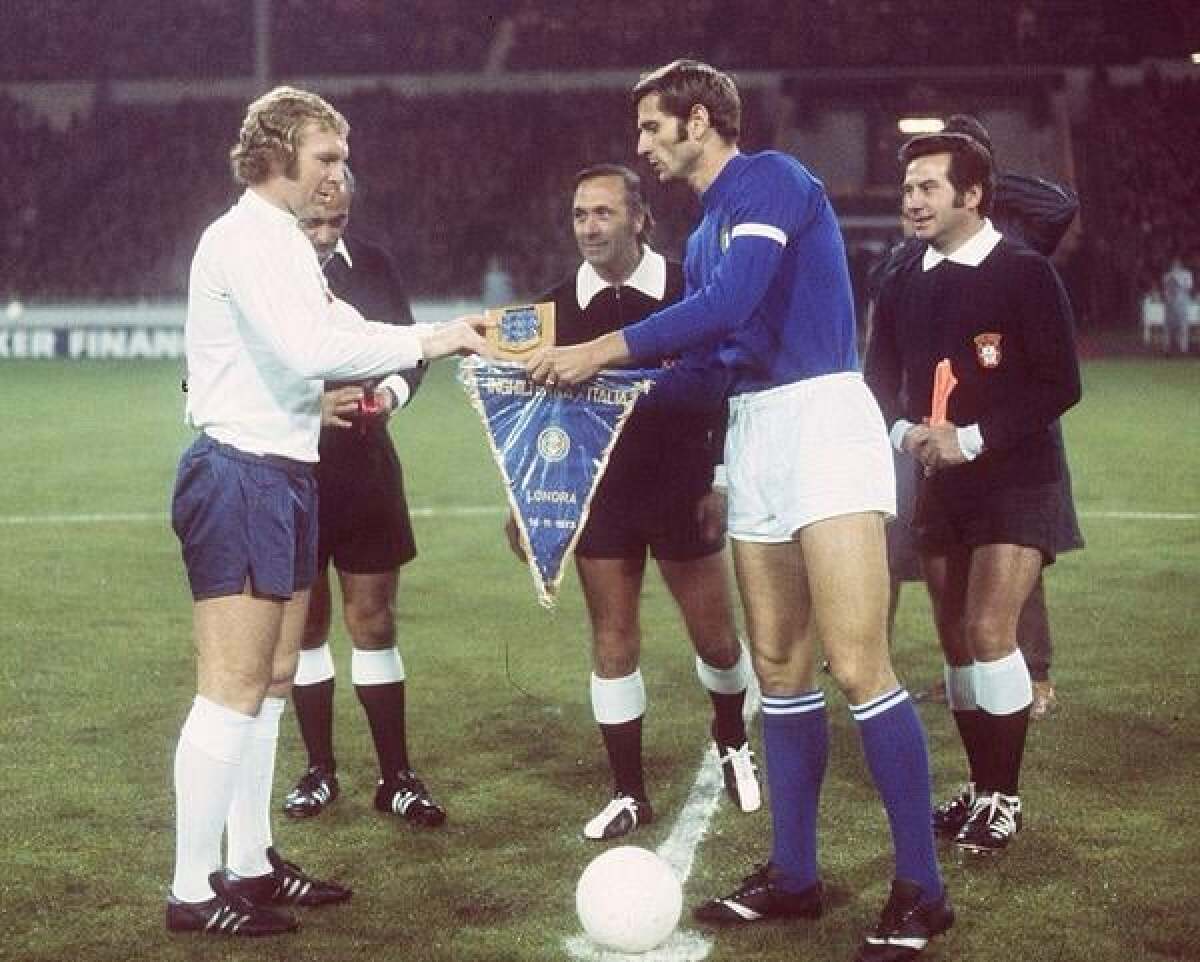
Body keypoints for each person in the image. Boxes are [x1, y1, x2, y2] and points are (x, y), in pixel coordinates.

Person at [529, 61, 949, 962]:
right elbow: (712, 367)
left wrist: (600, 351)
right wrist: (591, 391)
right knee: (781, 666)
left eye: (652, 127)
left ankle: (922, 887)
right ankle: (794, 875)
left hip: (822, 420)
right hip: (757, 430)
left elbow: (730, 304)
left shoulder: (770, 180)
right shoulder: (709, 228)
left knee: (857, 663)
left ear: (698, 121)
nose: (643, 145)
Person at [167, 86, 488, 938]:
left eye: (342, 159)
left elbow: (345, 321)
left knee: (273, 679)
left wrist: (450, 329)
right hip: (240, 472)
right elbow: (312, 349)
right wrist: (436, 338)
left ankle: (250, 861)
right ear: (277, 154)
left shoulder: (280, 241)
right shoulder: (246, 238)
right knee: (232, 687)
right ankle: (192, 889)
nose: (340, 175)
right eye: (327, 158)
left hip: (284, 472)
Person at [507, 163, 760, 841]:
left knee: (715, 638)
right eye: (579, 214)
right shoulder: (551, 309)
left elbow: (727, 390)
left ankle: (734, 742)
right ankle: (628, 792)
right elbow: (524, 414)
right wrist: (524, 500)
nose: (589, 227)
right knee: (612, 639)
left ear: (640, 218)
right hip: (601, 495)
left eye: (604, 213)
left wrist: (719, 480)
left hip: (683, 487)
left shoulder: (689, 289)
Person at [864, 130, 1082, 858]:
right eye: (908, 189)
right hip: (939, 485)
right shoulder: (902, 276)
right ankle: (982, 785)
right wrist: (909, 435)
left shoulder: (1022, 271)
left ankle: (1003, 799)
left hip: (1018, 478)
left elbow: (1060, 384)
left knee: (990, 631)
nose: (913, 201)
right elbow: (877, 380)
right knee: (957, 643)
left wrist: (973, 438)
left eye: (928, 187)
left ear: (973, 194)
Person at [281, 169, 445, 827]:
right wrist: (309, 407)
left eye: (338, 222)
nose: (325, 235)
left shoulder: (372, 265)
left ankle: (396, 777)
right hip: (293, 471)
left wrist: (391, 397)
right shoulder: (264, 275)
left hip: (366, 469)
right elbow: (201, 378)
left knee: (373, 622)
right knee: (308, 626)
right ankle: (319, 771)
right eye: (312, 223)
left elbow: (412, 353)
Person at [1162, 256, 1194, 355]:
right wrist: (1167, 297)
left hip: (1182, 303)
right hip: (1169, 304)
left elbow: (1189, 287)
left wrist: (1177, 282)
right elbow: (1165, 289)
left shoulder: (1187, 274)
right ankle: (1167, 348)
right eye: (1174, 264)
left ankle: (1183, 349)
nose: (1175, 265)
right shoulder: (1167, 275)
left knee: (1183, 326)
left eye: (1177, 263)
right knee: (1168, 327)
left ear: (1181, 264)